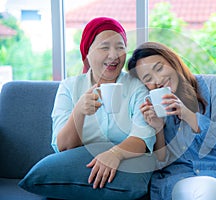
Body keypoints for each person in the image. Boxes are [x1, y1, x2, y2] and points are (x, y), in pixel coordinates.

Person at [127, 41, 216, 200]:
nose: (158, 79)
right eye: (148, 78)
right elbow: (161, 163)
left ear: (173, 62)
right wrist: (159, 129)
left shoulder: (213, 85)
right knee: (208, 187)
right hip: (180, 179)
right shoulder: (152, 106)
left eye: (159, 68)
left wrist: (188, 115)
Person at [51, 17, 156, 198]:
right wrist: (79, 112)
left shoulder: (136, 86)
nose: (114, 55)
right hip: (77, 174)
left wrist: (115, 154)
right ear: (87, 52)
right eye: (104, 47)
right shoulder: (69, 87)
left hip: (125, 174)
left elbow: (144, 137)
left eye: (120, 47)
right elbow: (63, 147)